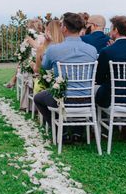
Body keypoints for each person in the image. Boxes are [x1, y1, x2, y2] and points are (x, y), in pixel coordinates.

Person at [33, 12, 97, 140]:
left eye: (61, 24)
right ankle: (78, 133)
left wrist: (44, 48)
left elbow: (45, 67)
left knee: (38, 98)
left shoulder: (54, 49)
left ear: (65, 28)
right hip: (87, 98)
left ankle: (58, 131)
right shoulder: (92, 49)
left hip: (62, 100)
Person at [95, 16, 126, 109]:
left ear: (116, 30)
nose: (110, 31)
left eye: (111, 28)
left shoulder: (107, 51)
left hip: (112, 99)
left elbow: (99, 78)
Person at [5, 18, 46, 89]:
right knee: (22, 61)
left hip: (37, 60)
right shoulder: (40, 36)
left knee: (23, 62)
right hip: (34, 58)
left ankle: (14, 80)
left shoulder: (39, 37)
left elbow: (37, 49)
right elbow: (24, 49)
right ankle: (14, 79)